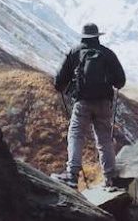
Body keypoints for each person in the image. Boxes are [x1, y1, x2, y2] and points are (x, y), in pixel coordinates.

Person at [53, 23, 126, 189]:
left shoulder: (75, 52)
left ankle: (71, 176)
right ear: (98, 36)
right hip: (104, 103)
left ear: (83, 36)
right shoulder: (107, 54)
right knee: (104, 139)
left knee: (76, 135)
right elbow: (120, 81)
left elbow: (58, 81)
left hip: (82, 103)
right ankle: (110, 178)